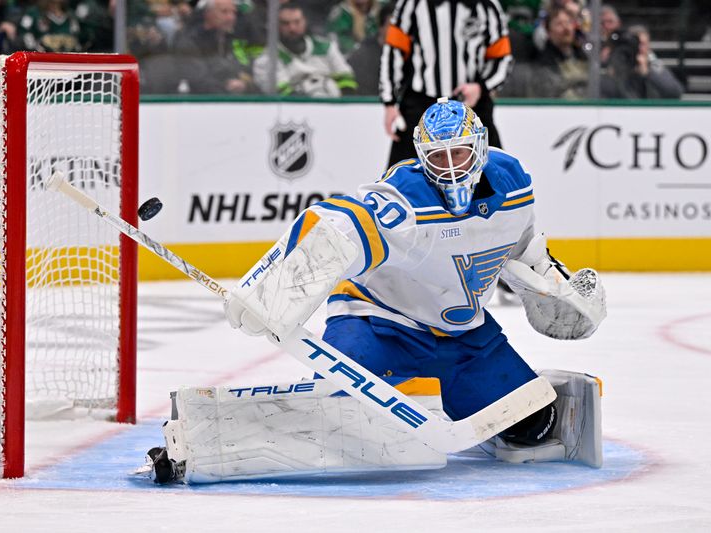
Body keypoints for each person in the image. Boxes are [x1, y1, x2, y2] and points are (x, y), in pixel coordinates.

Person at [222, 98, 607, 476]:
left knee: (533, 425)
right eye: (439, 158)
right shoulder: (404, 197)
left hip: (463, 339)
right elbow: (338, 222)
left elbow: (525, 252)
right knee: (338, 419)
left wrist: (554, 284)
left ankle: (444, 393)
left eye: (460, 154)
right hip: (378, 322)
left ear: (481, 148)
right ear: (423, 158)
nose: (452, 168)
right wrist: (274, 287)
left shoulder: (513, 183)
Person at [380, 0, 512, 167]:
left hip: (472, 104)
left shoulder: (487, 5)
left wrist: (481, 87)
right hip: (421, 104)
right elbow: (393, 51)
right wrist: (389, 102)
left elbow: (503, 58)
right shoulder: (411, 4)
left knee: (496, 174)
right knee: (402, 177)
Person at [252, 2, 356, 97]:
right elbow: (282, 94)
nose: (292, 28)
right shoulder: (267, 59)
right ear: (277, 26)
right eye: (285, 23)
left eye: (297, 22)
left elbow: (346, 77)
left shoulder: (326, 47)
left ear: (305, 22)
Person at [172, 0, 258, 94]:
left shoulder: (231, 40)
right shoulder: (189, 42)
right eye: (224, 12)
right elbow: (198, 82)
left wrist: (245, 85)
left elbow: (246, 72)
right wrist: (228, 88)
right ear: (208, 14)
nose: (231, 17)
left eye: (233, 12)